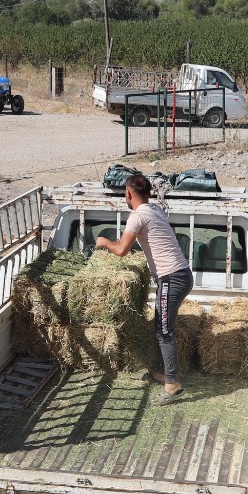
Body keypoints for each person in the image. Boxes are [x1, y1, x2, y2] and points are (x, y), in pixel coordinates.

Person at [94, 171, 193, 406]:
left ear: (128, 193)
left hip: (172, 278)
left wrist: (103, 242)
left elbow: (121, 250)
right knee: (161, 326)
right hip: (180, 274)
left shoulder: (137, 217)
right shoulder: (155, 210)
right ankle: (161, 373)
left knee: (164, 331)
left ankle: (172, 385)